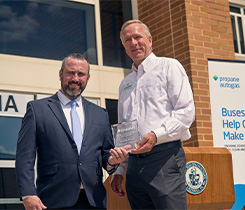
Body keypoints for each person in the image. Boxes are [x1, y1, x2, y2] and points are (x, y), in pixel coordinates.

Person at [15, 53, 130, 210]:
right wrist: (28, 194)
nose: (75, 78)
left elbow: (105, 154)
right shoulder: (37, 110)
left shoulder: (100, 114)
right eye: (70, 72)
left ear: (88, 78)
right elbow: (24, 157)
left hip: (94, 200)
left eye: (81, 74)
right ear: (61, 74)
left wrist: (112, 160)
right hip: (52, 200)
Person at [110, 20, 195, 209]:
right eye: (127, 40)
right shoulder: (125, 84)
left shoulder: (169, 67)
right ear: (124, 47)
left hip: (164, 159)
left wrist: (156, 135)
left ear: (149, 40)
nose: (133, 43)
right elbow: (125, 129)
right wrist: (120, 169)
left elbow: (186, 112)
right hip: (133, 166)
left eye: (137, 37)